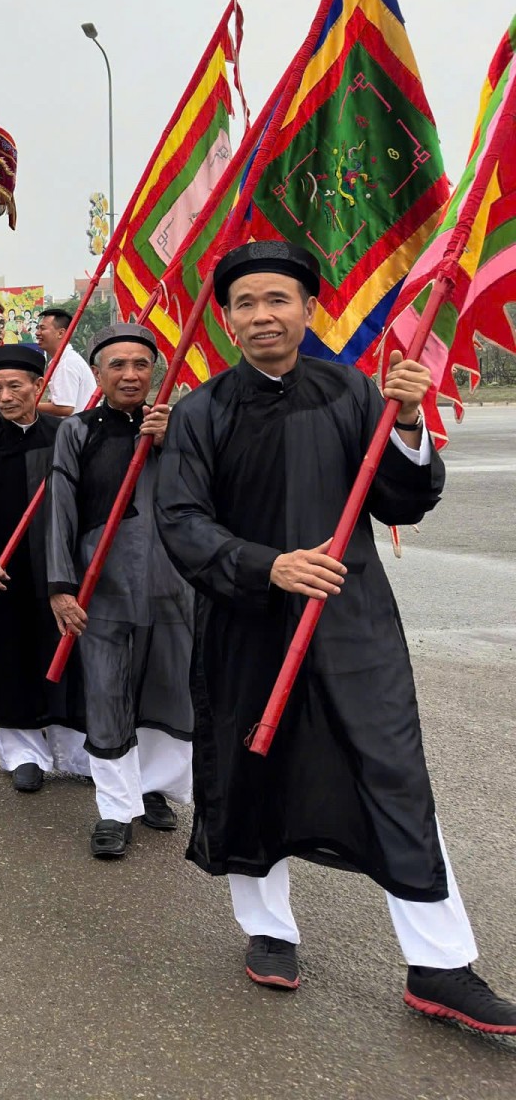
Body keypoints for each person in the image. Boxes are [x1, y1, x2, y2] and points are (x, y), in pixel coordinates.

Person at [155, 240, 513, 1033]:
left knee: (395, 773)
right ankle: (269, 931)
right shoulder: (200, 412)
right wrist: (265, 566)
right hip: (247, 620)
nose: (262, 316)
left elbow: (400, 502)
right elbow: (179, 523)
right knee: (253, 771)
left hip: (352, 625)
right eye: (245, 304)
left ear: (308, 308)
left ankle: (440, 964)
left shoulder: (355, 393)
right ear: (225, 319)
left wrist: (410, 422)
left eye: (277, 300)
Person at [45, 323, 193, 859]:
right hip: (99, 585)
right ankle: (114, 808)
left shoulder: (182, 426)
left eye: (141, 364)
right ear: (99, 373)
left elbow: (214, 492)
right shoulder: (78, 431)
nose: (131, 374)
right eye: (117, 365)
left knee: (166, 690)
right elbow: (59, 508)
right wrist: (62, 588)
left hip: (173, 586)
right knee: (107, 693)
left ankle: (151, 788)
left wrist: (173, 440)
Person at [0, 343, 88, 791]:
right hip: (2, 569)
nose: (5, 397)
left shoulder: (66, 433)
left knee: (65, 658)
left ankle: (76, 756)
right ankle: (23, 754)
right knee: (7, 658)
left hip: (58, 568)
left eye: (15, 387)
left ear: (38, 385)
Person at [34, 306, 99, 418]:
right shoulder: (64, 360)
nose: (37, 333)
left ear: (61, 333)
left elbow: (65, 408)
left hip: (78, 432)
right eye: (37, 328)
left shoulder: (67, 363)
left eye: (42, 328)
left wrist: (29, 406)